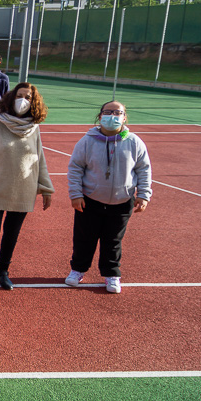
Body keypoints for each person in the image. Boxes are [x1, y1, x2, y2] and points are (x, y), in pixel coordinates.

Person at [0, 82, 54, 291]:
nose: (24, 100)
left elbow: (38, 158)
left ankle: (3, 271)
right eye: (21, 95)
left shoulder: (34, 128)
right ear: (12, 97)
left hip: (25, 189)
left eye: (29, 97)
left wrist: (46, 187)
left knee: (12, 233)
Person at [65, 101, 152, 294]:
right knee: (84, 238)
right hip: (90, 199)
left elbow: (143, 169)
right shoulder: (87, 141)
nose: (112, 115)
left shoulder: (133, 141)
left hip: (122, 201)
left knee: (113, 240)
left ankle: (111, 274)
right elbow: (75, 168)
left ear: (124, 117)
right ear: (100, 116)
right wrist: (76, 194)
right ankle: (77, 270)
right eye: (108, 112)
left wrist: (144, 195)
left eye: (117, 112)